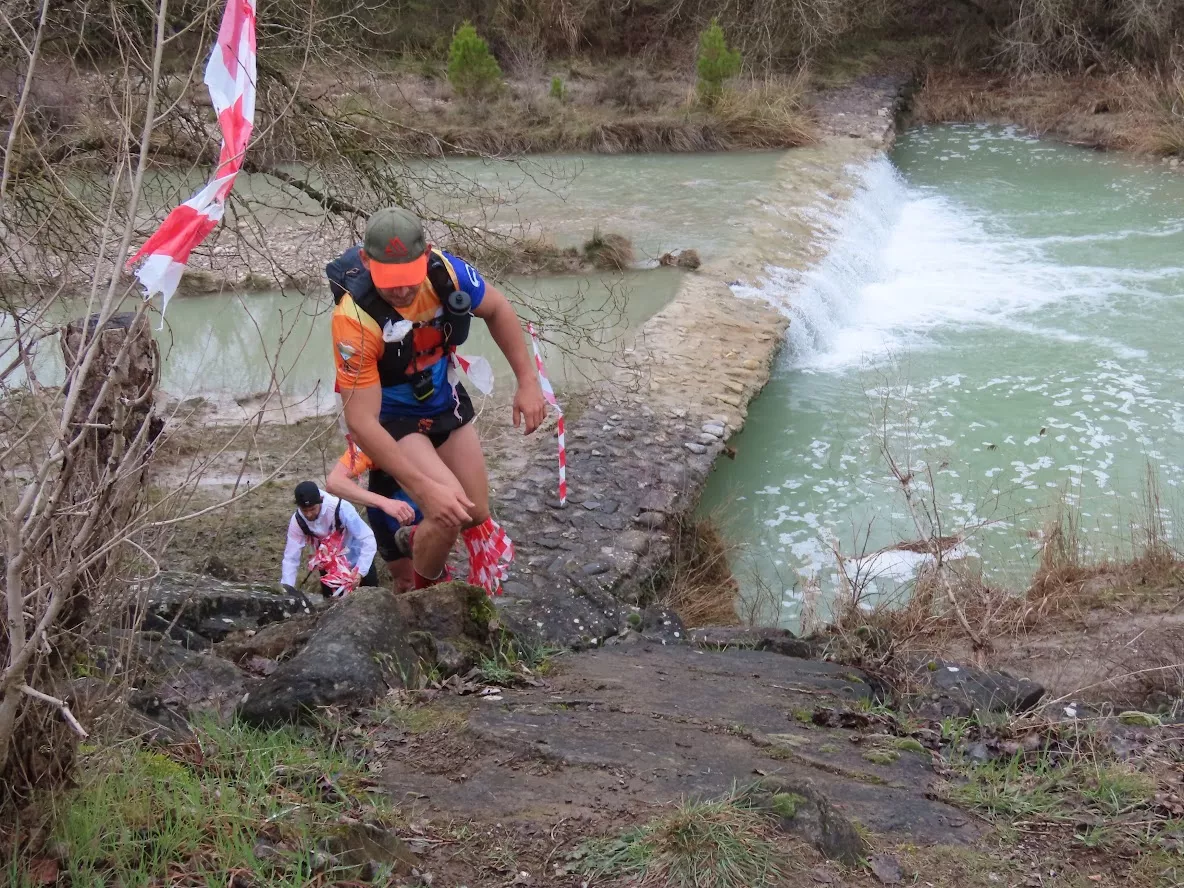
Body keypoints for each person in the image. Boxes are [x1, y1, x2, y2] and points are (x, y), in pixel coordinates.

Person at [328, 207, 546, 589]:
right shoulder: (354, 322)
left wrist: (527, 381)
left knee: (475, 512)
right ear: (366, 260)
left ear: (426, 254)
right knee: (447, 511)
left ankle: (412, 538)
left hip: (443, 398)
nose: (401, 290)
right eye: (389, 280)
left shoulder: (447, 273)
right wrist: (424, 489)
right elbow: (361, 422)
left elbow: (497, 308)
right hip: (391, 416)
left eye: (408, 277)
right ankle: (425, 604)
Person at [324, 443, 421, 592]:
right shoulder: (369, 437)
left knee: (431, 576)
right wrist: (384, 503)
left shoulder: (428, 426)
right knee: (405, 582)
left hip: (424, 505)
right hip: (386, 510)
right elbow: (334, 482)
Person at [280, 480, 377, 598]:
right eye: (305, 511)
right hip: (329, 569)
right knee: (331, 608)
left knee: (369, 601)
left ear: (320, 501)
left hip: (358, 560)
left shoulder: (341, 509)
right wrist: (286, 590)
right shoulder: (298, 521)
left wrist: (360, 572)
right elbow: (291, 558)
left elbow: (368, 538)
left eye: (312, 509)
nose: (309, 514)